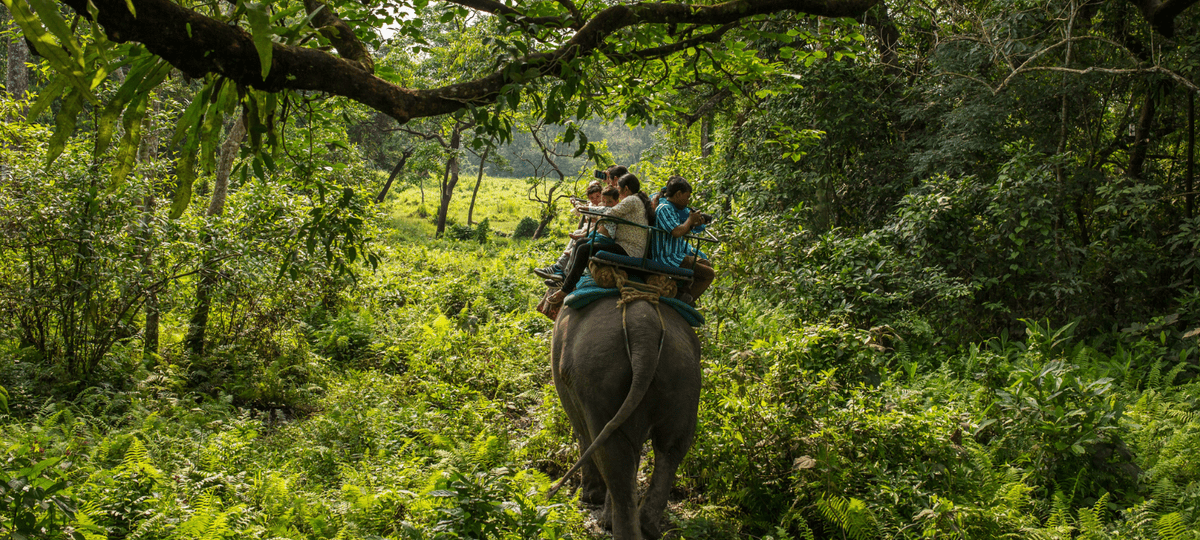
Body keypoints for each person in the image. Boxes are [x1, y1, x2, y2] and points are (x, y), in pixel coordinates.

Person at [551, 173, 653, 299]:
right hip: (623, 245)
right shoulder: (636, 199)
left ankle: (565, 289)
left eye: (619, 191)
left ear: (626, 189)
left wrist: (587, 209)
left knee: (584, 249)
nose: (619, 195)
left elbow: (610, 212)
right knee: (580, 242)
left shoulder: (631, 200)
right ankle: (568, 280)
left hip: (629, 249)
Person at [653, 176, 715, 306]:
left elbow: (684, 229)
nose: (687, 202)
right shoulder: (664, 208)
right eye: (686, 197)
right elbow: (676, 232)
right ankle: (685, 302)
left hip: (678, 255)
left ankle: (683, 291)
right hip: (668, 258)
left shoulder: (676, 209)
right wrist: (690, 221)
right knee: (709, 274)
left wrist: (694, 224)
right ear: (678, 194)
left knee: (705, 263)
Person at [533, 180, 605, 281]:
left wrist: (583, 209)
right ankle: (558, 269)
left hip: (597, 233)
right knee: (577, 233)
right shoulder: (594, 205)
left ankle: (562, 271)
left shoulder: (604, 205)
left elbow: (596, 216)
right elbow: (587, 215)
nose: (596, 199)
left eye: (598, 196)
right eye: (593, 198)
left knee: (579, 239)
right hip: (592, 230)